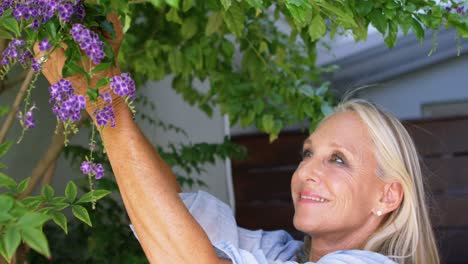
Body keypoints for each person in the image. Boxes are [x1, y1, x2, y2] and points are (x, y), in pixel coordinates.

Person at [39, 16, 439, 264]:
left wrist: (104, 104)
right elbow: (173, 221)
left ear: (387, 196)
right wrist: (104, 84)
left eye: (338, 160)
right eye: (308, 154)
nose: (307, 172)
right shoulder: (283, 255)